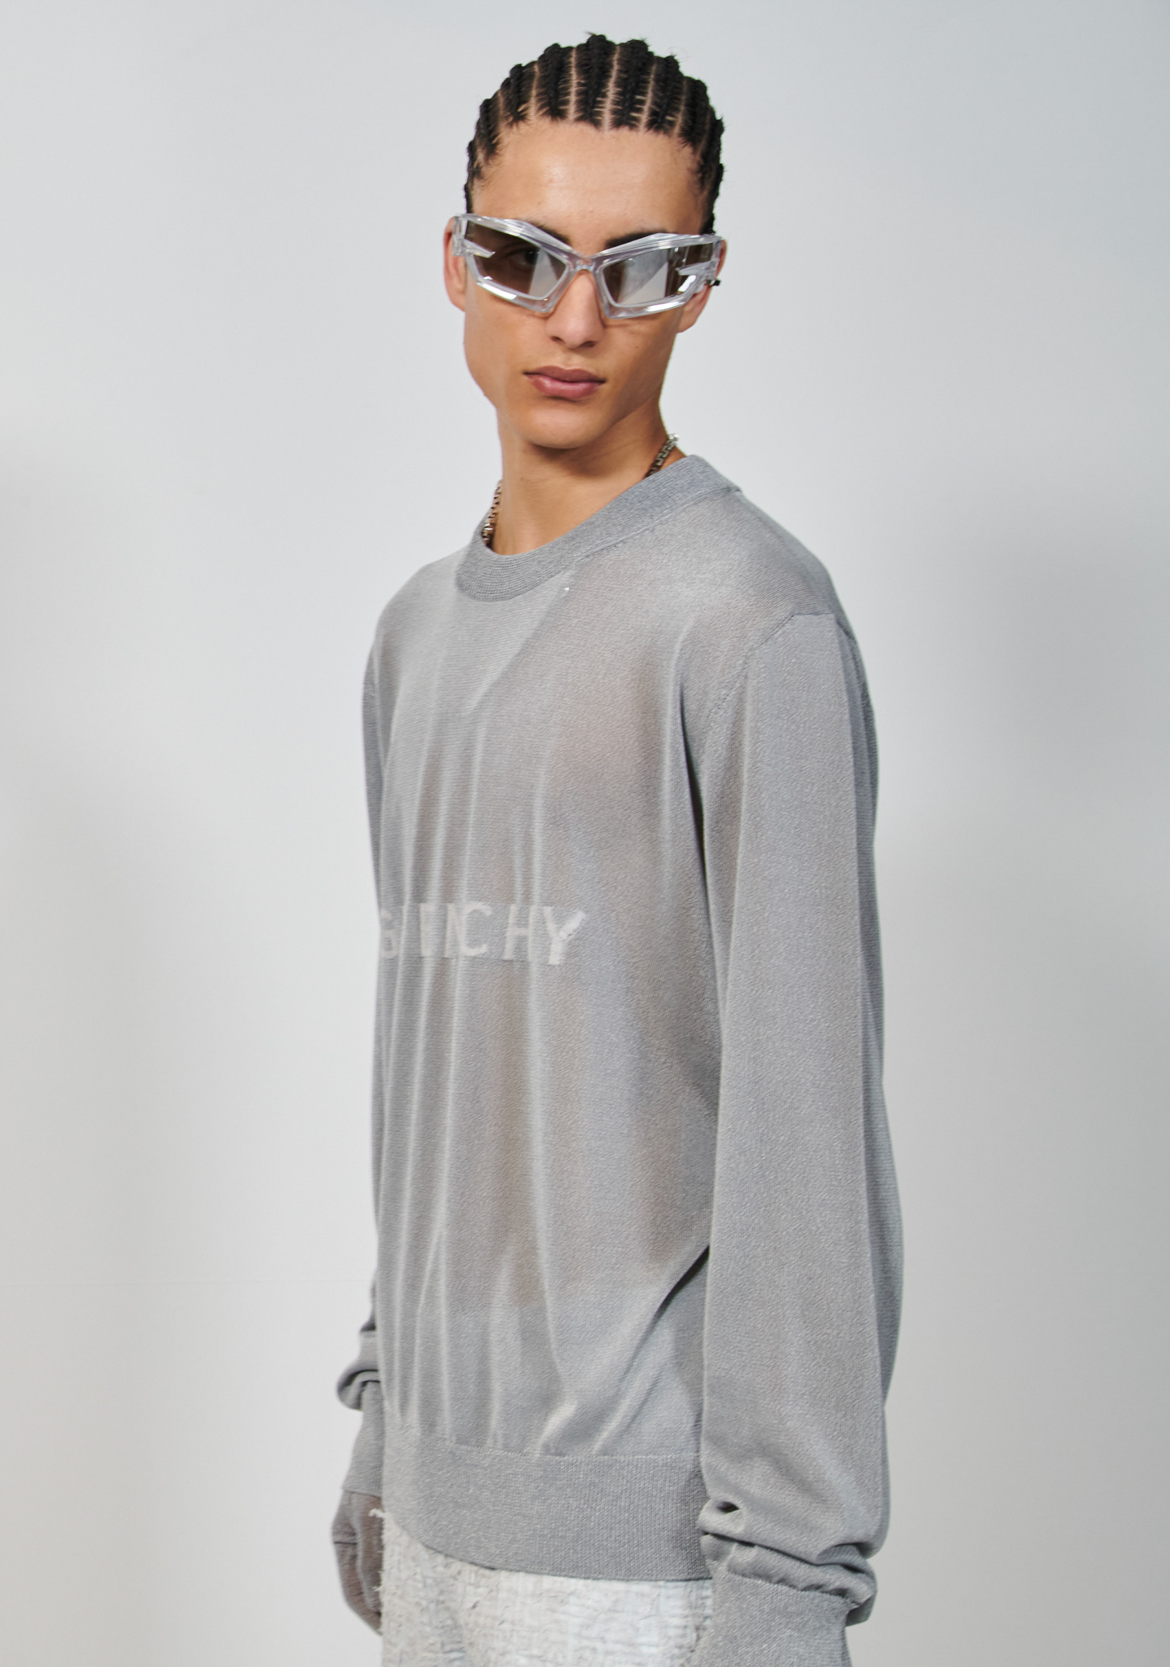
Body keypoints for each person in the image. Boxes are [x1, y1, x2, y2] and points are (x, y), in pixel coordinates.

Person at [328, 35, 901, 1667]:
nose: (575, 320)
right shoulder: (414, 636)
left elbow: (806, 1133)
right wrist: (392, 1413)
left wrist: (789, 1587)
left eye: (640, 269)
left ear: (703, 286)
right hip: (437, 1524)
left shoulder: (750, 620)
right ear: (455, 262)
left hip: (644, 1562)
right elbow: (443, 1071)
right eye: (525, 259)